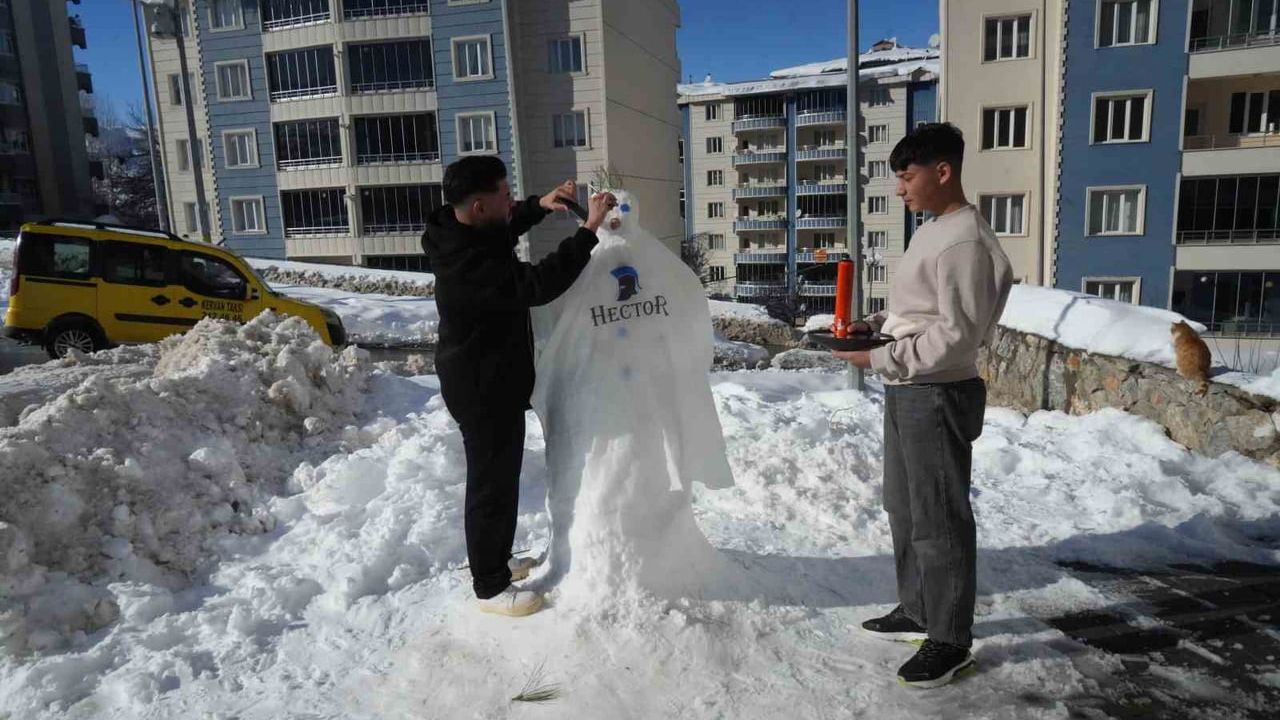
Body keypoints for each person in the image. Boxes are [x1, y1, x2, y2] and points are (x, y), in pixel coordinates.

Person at [833, 123, 1014, 688]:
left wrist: (878, 361)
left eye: (906, 176)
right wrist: (876, 327)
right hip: (909, 388)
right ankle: (917, 607)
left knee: (939, 519)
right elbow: (921, 312)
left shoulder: (964, 239)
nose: (899, 189)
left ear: (943, 171)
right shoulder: (934, 230)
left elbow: (957, 338)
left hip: (936, 392)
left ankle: (951, 638)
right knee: (905, 508)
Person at [421, 156, 616, 618]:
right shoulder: (467, 265)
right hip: (481, 386)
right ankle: (490, 587)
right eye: (505, 196)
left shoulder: (461, 228)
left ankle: (498, 561)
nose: (512, 201)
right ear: (478, 205)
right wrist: (587, 231)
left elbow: (503, 230)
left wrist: (540, 206)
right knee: (491, 484)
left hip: (491, 376)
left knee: (501, 477)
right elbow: (538, 283)